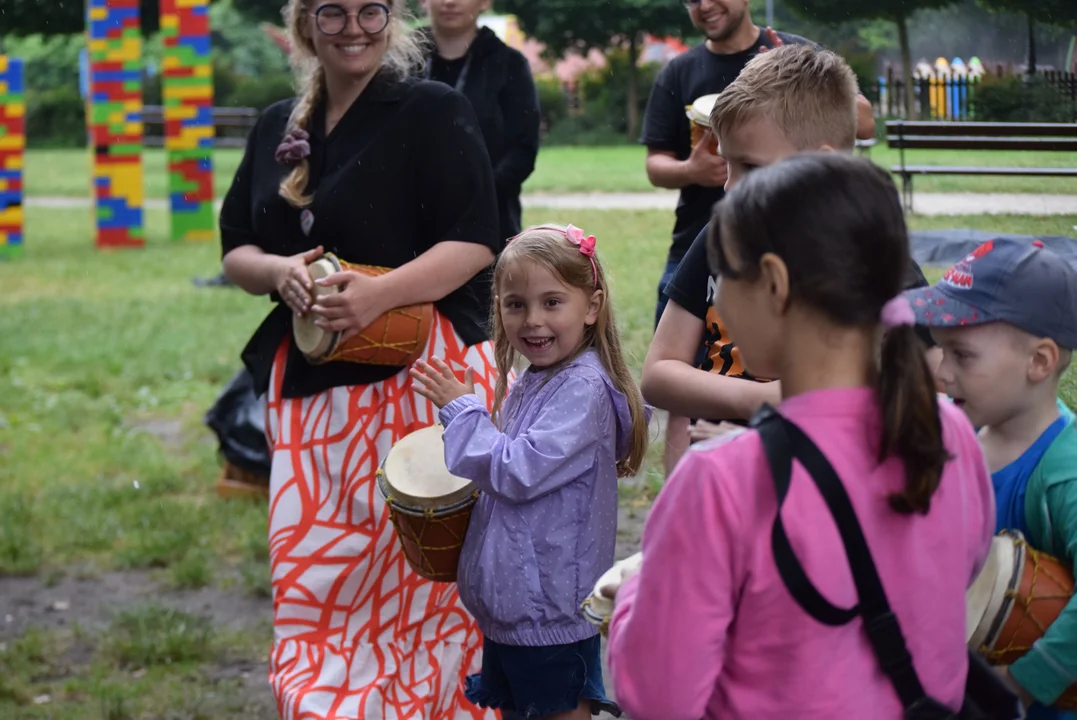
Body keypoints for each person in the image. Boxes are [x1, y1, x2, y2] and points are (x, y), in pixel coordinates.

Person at [603, 153, 997, 719]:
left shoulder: (718, 482)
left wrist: (638, 593)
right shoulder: (949, 430)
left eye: (724, 276)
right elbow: (961, 567)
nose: (717, 299)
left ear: (774, 284)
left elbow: (658, 698)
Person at [217, 0, 504, 717]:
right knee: (320, 567)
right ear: (305, 23)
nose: (353, 27)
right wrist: (276, 272)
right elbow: (235, 250)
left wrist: (380, 295)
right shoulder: (277, 125)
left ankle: (439, 703)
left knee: (423, 573)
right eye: (332, 12)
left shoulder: (433, 109)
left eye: (370, 10)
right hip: (313, 388)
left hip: (422, 377)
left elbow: (475, 241)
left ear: (393, 19)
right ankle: (332, 702)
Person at [641, 44, 939, 469]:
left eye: (752, 167)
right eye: (728, 165)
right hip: (718, 480)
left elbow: (929, 384)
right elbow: (659, 373)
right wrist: (764, 401)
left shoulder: (876, 262)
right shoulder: (719, 236)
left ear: (822, 167)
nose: (729, 188)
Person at [411, 224, 651, 720]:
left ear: (591, 306)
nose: (533, 319)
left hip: (549, 609)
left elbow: (517, 470)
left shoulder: (581, 391)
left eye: (552, 302)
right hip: (524, 606)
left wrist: (462, 412)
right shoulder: (543, 378)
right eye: (515, 303)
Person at [904, 238, 1077, 719]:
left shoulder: (1064, 471)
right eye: (939, 351)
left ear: (1038, 362)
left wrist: (1025, 681)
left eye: (962, 355)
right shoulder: (956, 433)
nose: (941, 372)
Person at [419, 0, 540, 245]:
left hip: (489, 222)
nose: (449, 2)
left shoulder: (509, 64)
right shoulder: (401, 64)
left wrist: (478, 197)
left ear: (485, 2)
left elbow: (523, 149)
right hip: (410, 218)